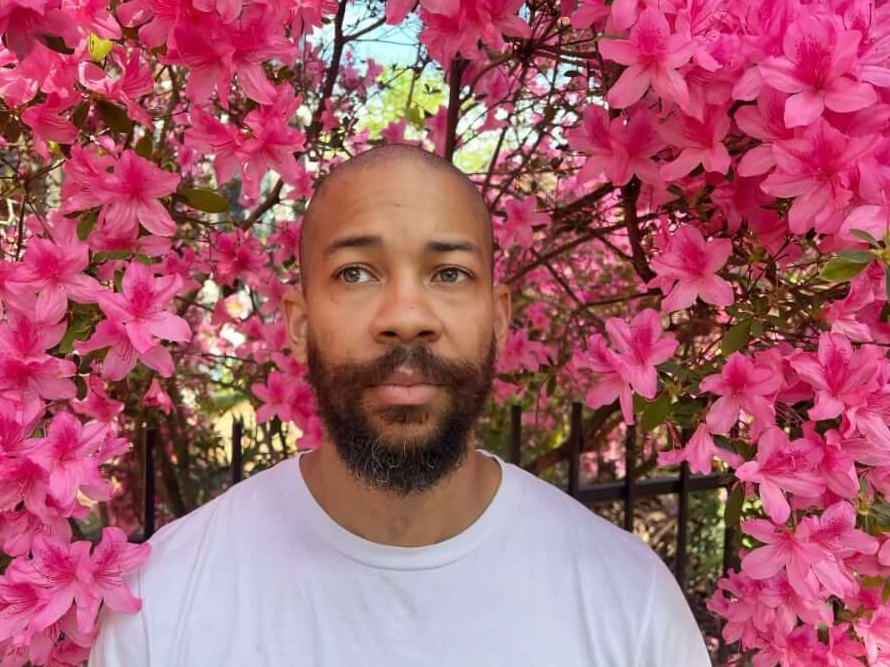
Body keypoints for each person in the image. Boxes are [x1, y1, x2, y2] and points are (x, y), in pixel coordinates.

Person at [88, 144, 711, 666]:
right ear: (299, 324)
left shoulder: (632, 604)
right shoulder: (160, 606)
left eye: (449, 274)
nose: (407, 318)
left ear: (498, 319)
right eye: (357, 273)